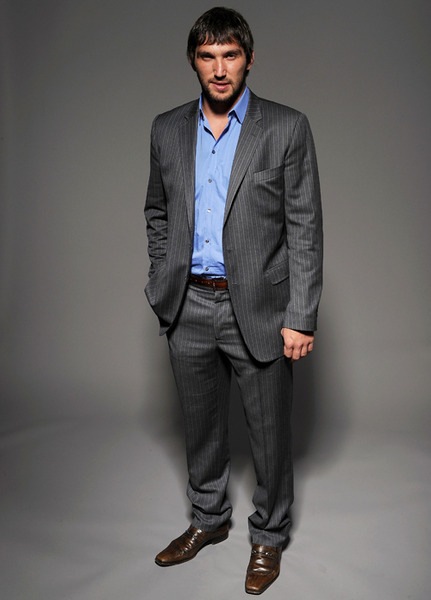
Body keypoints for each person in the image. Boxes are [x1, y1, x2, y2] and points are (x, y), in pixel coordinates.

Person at [144, 6, 323, 595]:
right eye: (208, 56)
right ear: (193, 61)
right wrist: (161, 280)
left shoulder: (286, 127)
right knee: (200, 427)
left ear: (248, 59)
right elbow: (156, 211)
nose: (219, 69)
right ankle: (208, 518)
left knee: (269, 434)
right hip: (188, 304)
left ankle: (268, 536)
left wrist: (300, 316)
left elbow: (305, 228)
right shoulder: (167, 128)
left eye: (230, 55)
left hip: (262, 310)